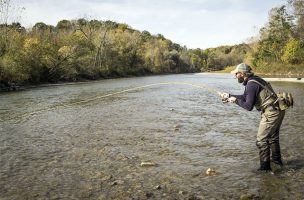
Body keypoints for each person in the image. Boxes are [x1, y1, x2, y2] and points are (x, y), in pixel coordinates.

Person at [219, 63, 285, 172]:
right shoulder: (254, 80)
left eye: (236, 74)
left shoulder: (251, 85)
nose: (234, 76)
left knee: (261, 140)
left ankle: (265, 169)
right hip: (278, 110)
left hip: (271, 113)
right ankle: (277, 163)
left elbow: (248, 106)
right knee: (273, 138)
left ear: (242, 73)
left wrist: (235, 101)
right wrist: (229, 95)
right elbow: (246, 97)